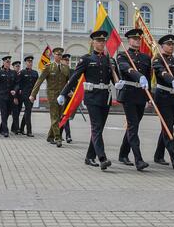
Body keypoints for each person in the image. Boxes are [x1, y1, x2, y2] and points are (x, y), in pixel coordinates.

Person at [59, 31, 116, 169]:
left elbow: (115, 78)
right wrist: (63, 93)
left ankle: (89, 156)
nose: (101, 43)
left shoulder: (109, 60)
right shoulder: (86, 59)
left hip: (105, 98)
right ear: (93, 43)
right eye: (99, 41)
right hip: (92, 98)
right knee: (96, 128)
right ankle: (102, 158)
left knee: (99, 129)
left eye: (103, 41)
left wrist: (119, 85)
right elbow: (74, 78)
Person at [116, 29, 152, 171]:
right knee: (133, 126)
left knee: (133, 126)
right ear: (128, 41)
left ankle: (123, 154)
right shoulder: (122, 55)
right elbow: (125, 68)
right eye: (134, 39)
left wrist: (149, 95)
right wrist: (138, 75)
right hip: (129, 94)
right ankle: (138, 159)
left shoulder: (146, 58)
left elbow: (148, 78)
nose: (137, 41)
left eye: (138, 39)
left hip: (141, 95)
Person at [148, 33, 174, 169]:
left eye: (172, 44)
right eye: (168, 45)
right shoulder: (157, 59)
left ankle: (158, 155)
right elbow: (161, 72)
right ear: (162, 46)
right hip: (162, 96)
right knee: (168, 127)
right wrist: (172, 80)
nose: (171, 47)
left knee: (166, 127)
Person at [29, 47, 70, 146]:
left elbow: (69, 82)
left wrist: (70, 91)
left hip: (62, 96)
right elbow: (39, 81)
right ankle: (57, 138)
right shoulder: (48, 67)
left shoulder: (66, 68)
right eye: (57, 55)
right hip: (52, 95)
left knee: (60, 117)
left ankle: (50, 136)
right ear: (54, 56)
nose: (59, 56)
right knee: (55, 117)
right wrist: (33, 94)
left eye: (60, 55)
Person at [16, 55, 39, 137]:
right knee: (27, 111)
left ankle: (22, 129)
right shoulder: (22, 72)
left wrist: (34, 95)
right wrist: (18, 91)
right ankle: (28, 130)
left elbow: (37, 85)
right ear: (26, 63)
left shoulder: (35, 73)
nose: (30, 63)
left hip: (31, 95)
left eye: (31, 62)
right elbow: (18, 83)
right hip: (23, 94)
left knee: (27, 112)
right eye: (28, 62)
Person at [59, 53, 74, 143]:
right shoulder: (58, 70)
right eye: (65, 60)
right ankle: (58, 135)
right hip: (60, 96)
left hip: (68, 96)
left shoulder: (72, 71)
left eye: (68, 60)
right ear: (61, 61)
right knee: (59, 116)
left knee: (65, 115)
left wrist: (72, 91)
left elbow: (74, 82)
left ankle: (68, 135)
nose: (67, 62)